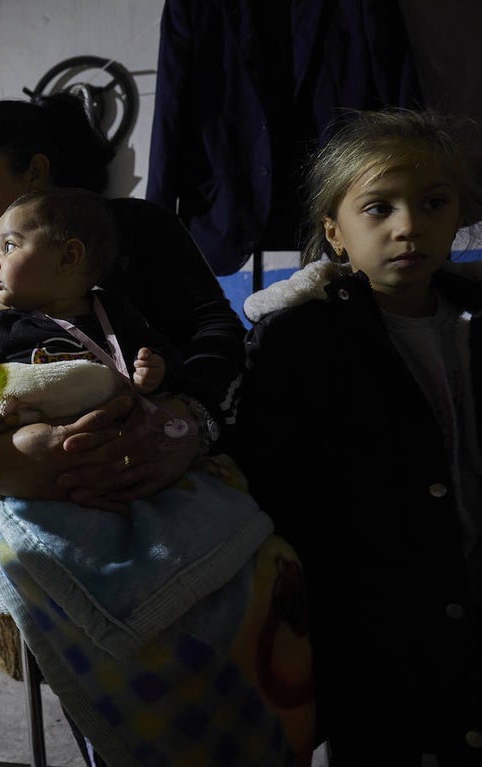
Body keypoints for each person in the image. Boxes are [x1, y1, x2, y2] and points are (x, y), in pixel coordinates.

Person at [234, 108, 482, 765]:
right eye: (379, 208)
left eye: (434, 202)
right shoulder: (297, 342)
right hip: (373, 625)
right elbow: (277, 493)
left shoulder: (473, 320)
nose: (409, 226)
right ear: (334, 233)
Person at [0, 94, 245, 512]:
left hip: (173, 486)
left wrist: (188, 422)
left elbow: (215, 333)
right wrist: (2, 466)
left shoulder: (141, 230)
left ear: (35, 171)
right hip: (24, 509)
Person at [0, 187, 177, 493]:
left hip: (120, 459)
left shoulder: (116, 313)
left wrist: (154, 370)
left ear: (68, 257)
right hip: (40, 475)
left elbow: (162, 354)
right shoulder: (1, 326)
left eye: (8, 247)